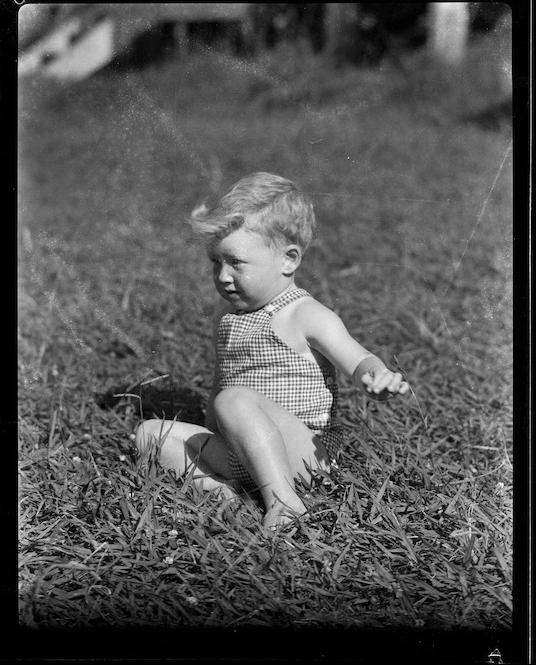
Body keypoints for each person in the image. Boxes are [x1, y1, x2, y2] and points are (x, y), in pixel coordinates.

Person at [136, 172, 410, 529]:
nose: (222, 275)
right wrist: (210, 437)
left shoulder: (305, 314)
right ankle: (224, 491)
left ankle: (285, 501)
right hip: (240, 451)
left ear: (288, 260)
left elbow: (357, 358)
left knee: (234, 400)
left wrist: (376, 376)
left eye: (236, 262)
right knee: (149, 435)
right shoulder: (230, 320)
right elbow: (219, 388)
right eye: (215, 262)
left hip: (302, 453)